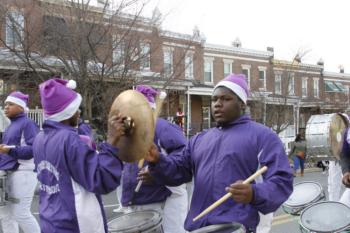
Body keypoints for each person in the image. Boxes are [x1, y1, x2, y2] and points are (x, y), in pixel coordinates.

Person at [141, 74, 294, 232]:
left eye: (225, 99)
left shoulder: (263, 136)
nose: (217, 104)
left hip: (238, 227)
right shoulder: (199, 139)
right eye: (214, 99)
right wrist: (158, 160)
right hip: (199, 227)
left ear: (242, 104)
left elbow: (282, 182)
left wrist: (254, 193)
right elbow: (178, 172)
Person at [32, 78, 125, 233]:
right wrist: (111, 142)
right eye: (76, 108)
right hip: (75, 224)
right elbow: (102, 180)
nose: (79, 112)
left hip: (50, 221)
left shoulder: (39, 138)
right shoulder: (70, 140)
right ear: (68, 112)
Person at [120, 85, 188, 233]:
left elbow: (183, 158)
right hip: (136, 201)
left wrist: (157, 172)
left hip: (161, 202)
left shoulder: (164, 128)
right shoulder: (130, 131)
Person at [0, 91, 40, 233]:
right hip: (8, 173)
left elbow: (33, 149)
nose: (6, 107)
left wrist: (9, 150)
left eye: (10, 104)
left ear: (21, 107)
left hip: (24, 173)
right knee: (5, 215)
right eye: (5, 104)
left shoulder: (28, 123)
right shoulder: (10, 126)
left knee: (20, 214)